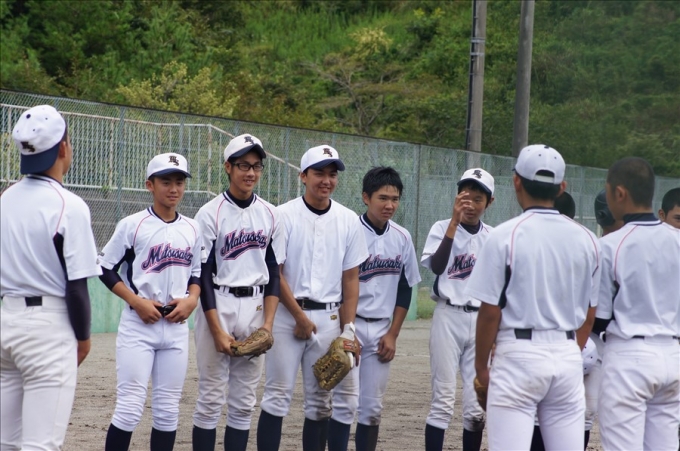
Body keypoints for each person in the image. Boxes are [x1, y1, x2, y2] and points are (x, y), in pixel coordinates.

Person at [467, 144, 601, 450]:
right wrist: (569, 352)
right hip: (567, 355)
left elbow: (490, 312)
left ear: (517, 181)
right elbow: (590, 314)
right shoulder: (588, 239)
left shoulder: (504, 235)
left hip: (518, 356)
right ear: (562, 187)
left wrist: (481, 368)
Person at [1, 105, 101, 450]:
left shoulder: (5, 198)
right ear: (63, 148)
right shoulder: (68, 205)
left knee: (5, 442)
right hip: (47, 329)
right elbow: (77, 287)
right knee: (41, 444)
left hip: (6, 321)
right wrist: (84, 338)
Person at [257, 145, 369, 451]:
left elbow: (351, 279)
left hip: (330, 318)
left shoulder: (348, 220)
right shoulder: (283, 215)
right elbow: (276, 273)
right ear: (303, 176)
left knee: (320, 401)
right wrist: (299, 317)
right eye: (319, 173)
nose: (327, 180)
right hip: (287, 315)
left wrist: (349, 330)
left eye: (332, 174)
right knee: (277, 397)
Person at [100, 152, 201, 450]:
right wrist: (136, 301)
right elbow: (105, 268)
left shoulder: (193, 228)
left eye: (179, 182)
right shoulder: (133, 224)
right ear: (150, 185)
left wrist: (193, 299)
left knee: (168, 411)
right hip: (139, 325)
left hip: (176, 327)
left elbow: (198, 271)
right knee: (130, 408)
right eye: (166, 181)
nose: (174, 188)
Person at [191, 134, 281, 451]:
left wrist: (267, 325)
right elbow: (202, 273)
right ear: (228, 167)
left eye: (256, 166)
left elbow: (274, 271)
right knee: (211, 398)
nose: (251, 173)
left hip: (256, 305)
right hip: (219, 301)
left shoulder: (270, 213)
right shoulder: (209, 213)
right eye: (243, 165)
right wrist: (216, 329)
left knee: (244, 402)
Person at [329, 167, 422, 451]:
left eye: (395, 199)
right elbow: (338, 285)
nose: (389, 205)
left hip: (382, 328)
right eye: (383, 198)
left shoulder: (402, 237)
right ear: (366, 198)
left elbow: (405, 288)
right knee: (344, 404)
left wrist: (393, 333)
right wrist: (346, 330)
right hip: (350, 324)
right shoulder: (349, 231)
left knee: (372, 409)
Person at [594, 157, 680, 451]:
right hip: (672, 356)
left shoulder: (610, 245)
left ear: (620, 193)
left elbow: (599, 318)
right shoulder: (677, 239)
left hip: (630, 358)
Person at [529, 190, 612, 451]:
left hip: (591, 341)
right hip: (564, 339)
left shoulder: (588, 247)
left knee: (586, 411)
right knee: (544, 410)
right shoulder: (535, 249)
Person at [421, 168, 495, 451]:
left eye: (478, 199)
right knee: (442, 400)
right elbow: (437, 267)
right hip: (448, 316)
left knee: (476, 408)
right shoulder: (441, 227)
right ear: (456, 198)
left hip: (481, 321)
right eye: (465, 197)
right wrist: (453, 223)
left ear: (489, 202)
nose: (471, 204)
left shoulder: (493, 237)